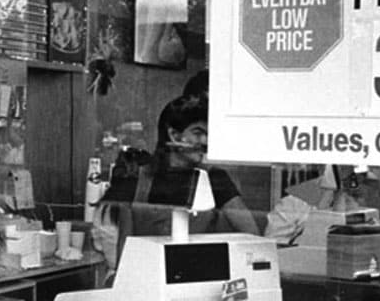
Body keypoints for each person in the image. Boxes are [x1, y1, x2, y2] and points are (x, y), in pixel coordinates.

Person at [99, 94, 263, 270]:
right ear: (174, 135)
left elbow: (253, 237)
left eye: (208, 134)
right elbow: (126, 253)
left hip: (199, 274)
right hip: (148, 276)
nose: (205, 141)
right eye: (198, 133)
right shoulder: (136, 179)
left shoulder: (215, 179)